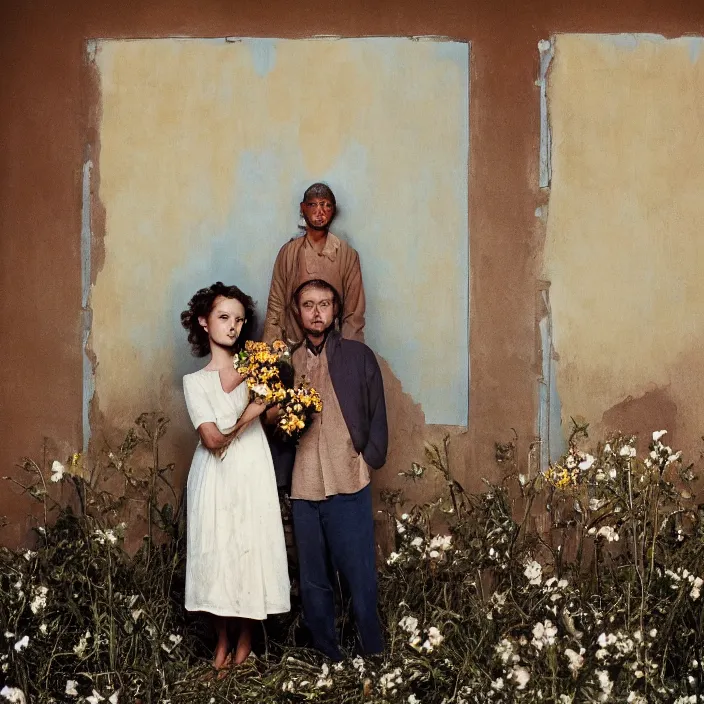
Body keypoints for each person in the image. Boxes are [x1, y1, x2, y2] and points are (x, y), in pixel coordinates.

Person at [180, 282, 290, 671]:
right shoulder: (195, 382)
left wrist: (283, 407)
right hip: (214, 477)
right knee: (219, 553)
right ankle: (221, 645)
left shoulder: (255, 366)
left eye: (239, 320)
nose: (233, 326)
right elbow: (212, 440)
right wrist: (248, 416)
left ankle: (244, 643)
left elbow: (275, 415)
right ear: (204, 323)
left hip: (252, 470)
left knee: (250, 549)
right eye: (224, 317)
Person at [287, 276, 387, 661]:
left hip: (349, 478)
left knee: (359, 575)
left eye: (324, 304)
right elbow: (276, 426)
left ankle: (373, 655)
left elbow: (377, 411)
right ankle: (326, 656)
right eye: (308, 304)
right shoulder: (287, 364)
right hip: (304, 485)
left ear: (335, 311)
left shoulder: (359, 357)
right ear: (298, 312)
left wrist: (367, 457)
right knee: (313, 579)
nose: (316, 312)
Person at [262, 183, 366, 345]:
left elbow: (353, 316)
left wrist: (349, 358)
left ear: (334, 210)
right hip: (293, 345)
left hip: (333, 348)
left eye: (326, 205)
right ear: (303, 208)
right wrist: (270, 359)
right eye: (313, 205)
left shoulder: (347, 254)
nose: (320, 212)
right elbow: (276, 307)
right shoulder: (289, 253)